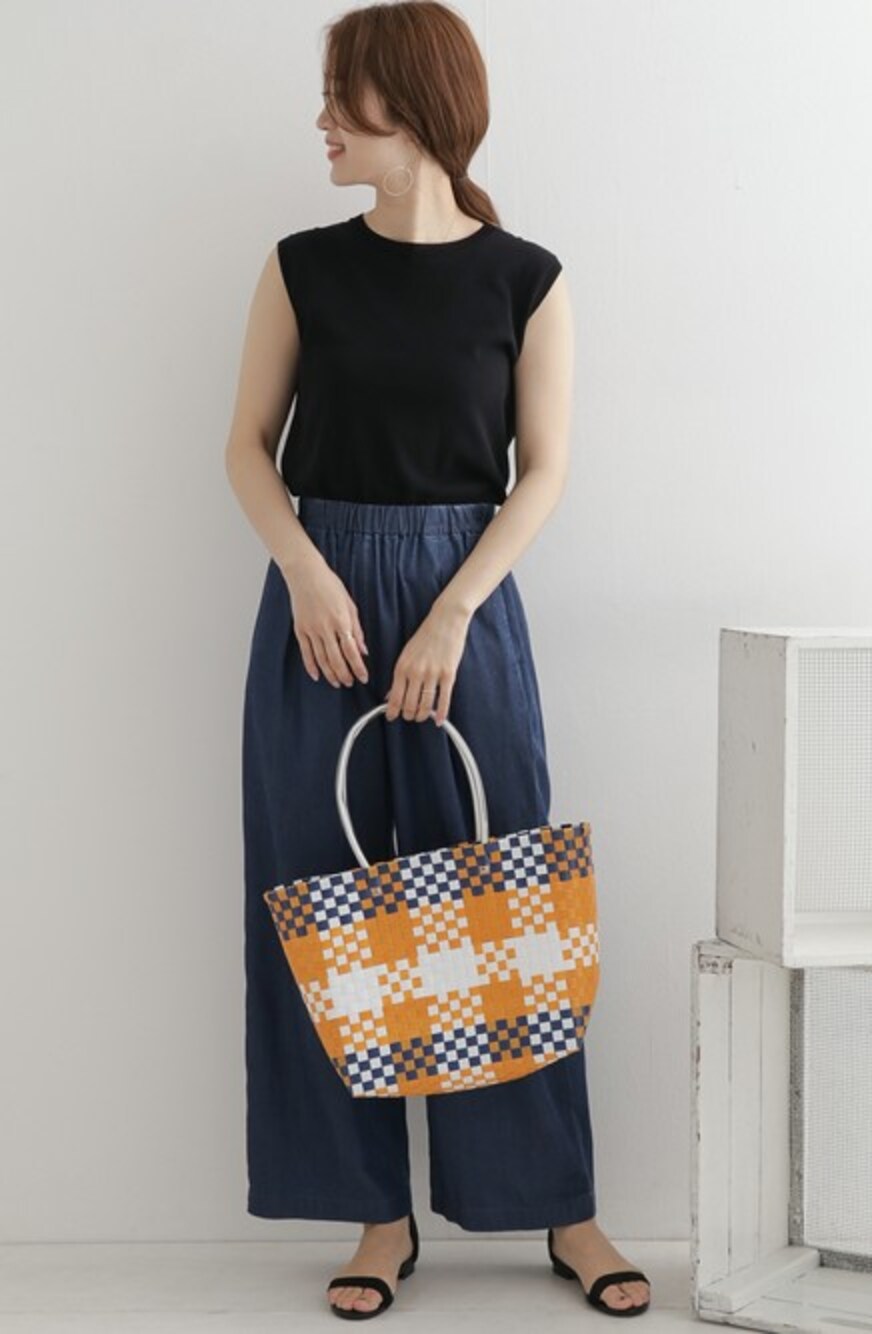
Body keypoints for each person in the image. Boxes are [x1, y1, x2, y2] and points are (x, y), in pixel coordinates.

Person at [225, 0, 651, 1320]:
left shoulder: (526, 277)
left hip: (466, 603)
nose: (321, 123)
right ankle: (376, 1214)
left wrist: (457, 607)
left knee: (502, 903)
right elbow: (246, 447)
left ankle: (562, 1206)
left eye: (339, 96)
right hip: (320, 612)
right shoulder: (301, 266)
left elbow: (544, 471)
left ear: (405, 107)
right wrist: (307, 568)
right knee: (321, 901)